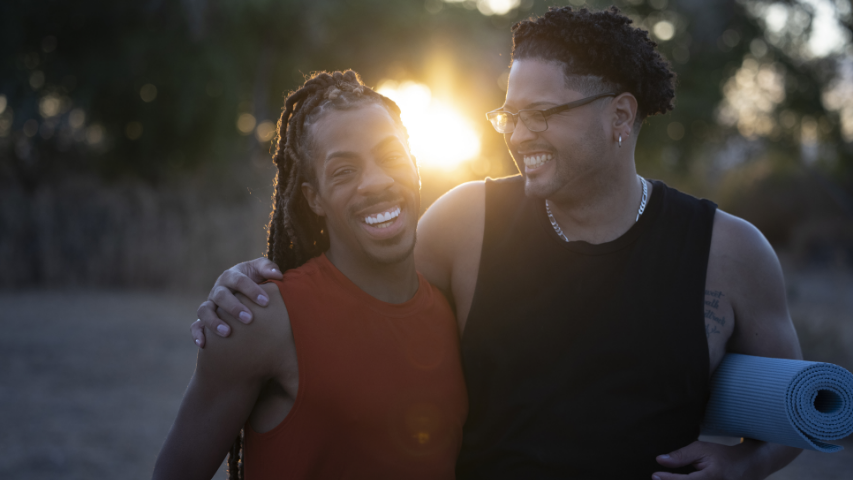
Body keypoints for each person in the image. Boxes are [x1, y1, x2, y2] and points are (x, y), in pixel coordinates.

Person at [194, 7, 804, 479]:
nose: (519, 134)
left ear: (620, 117)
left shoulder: (730, 252)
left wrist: (744, 466)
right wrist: (248, 284)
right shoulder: (466, 221)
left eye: (542, 114)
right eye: (510, 115)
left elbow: (802, 409)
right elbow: (353, 296)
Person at [153, 71, 467, 480]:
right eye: (344, 171)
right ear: (313, 197)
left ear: (415, 165)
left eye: (391, 157)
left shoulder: (452, 312)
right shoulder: (262, 319)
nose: (376, 182)